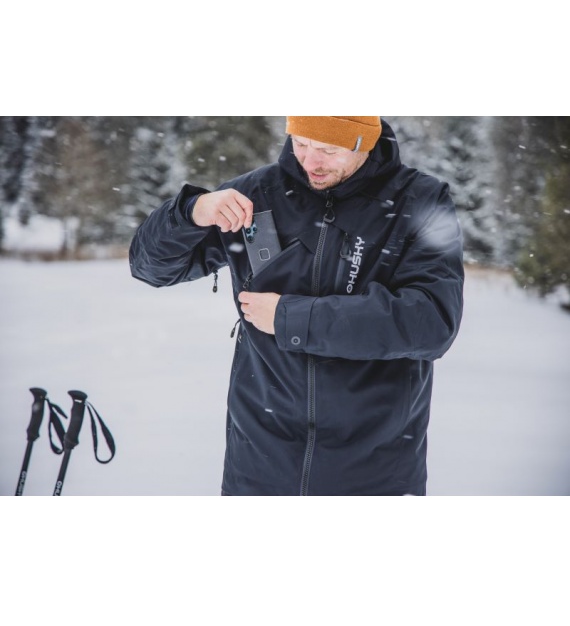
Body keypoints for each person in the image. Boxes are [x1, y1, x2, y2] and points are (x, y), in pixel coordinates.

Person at [129, 116, 464, 496]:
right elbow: (150, 269)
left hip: (374, 469)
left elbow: (432, 321)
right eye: (301, 143)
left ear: (364, 141)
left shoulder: (420, 201)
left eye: (329, 150)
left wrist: (291, 318)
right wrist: (190, 212)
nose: (311, 162)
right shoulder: (255, 194)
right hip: (258, 465)